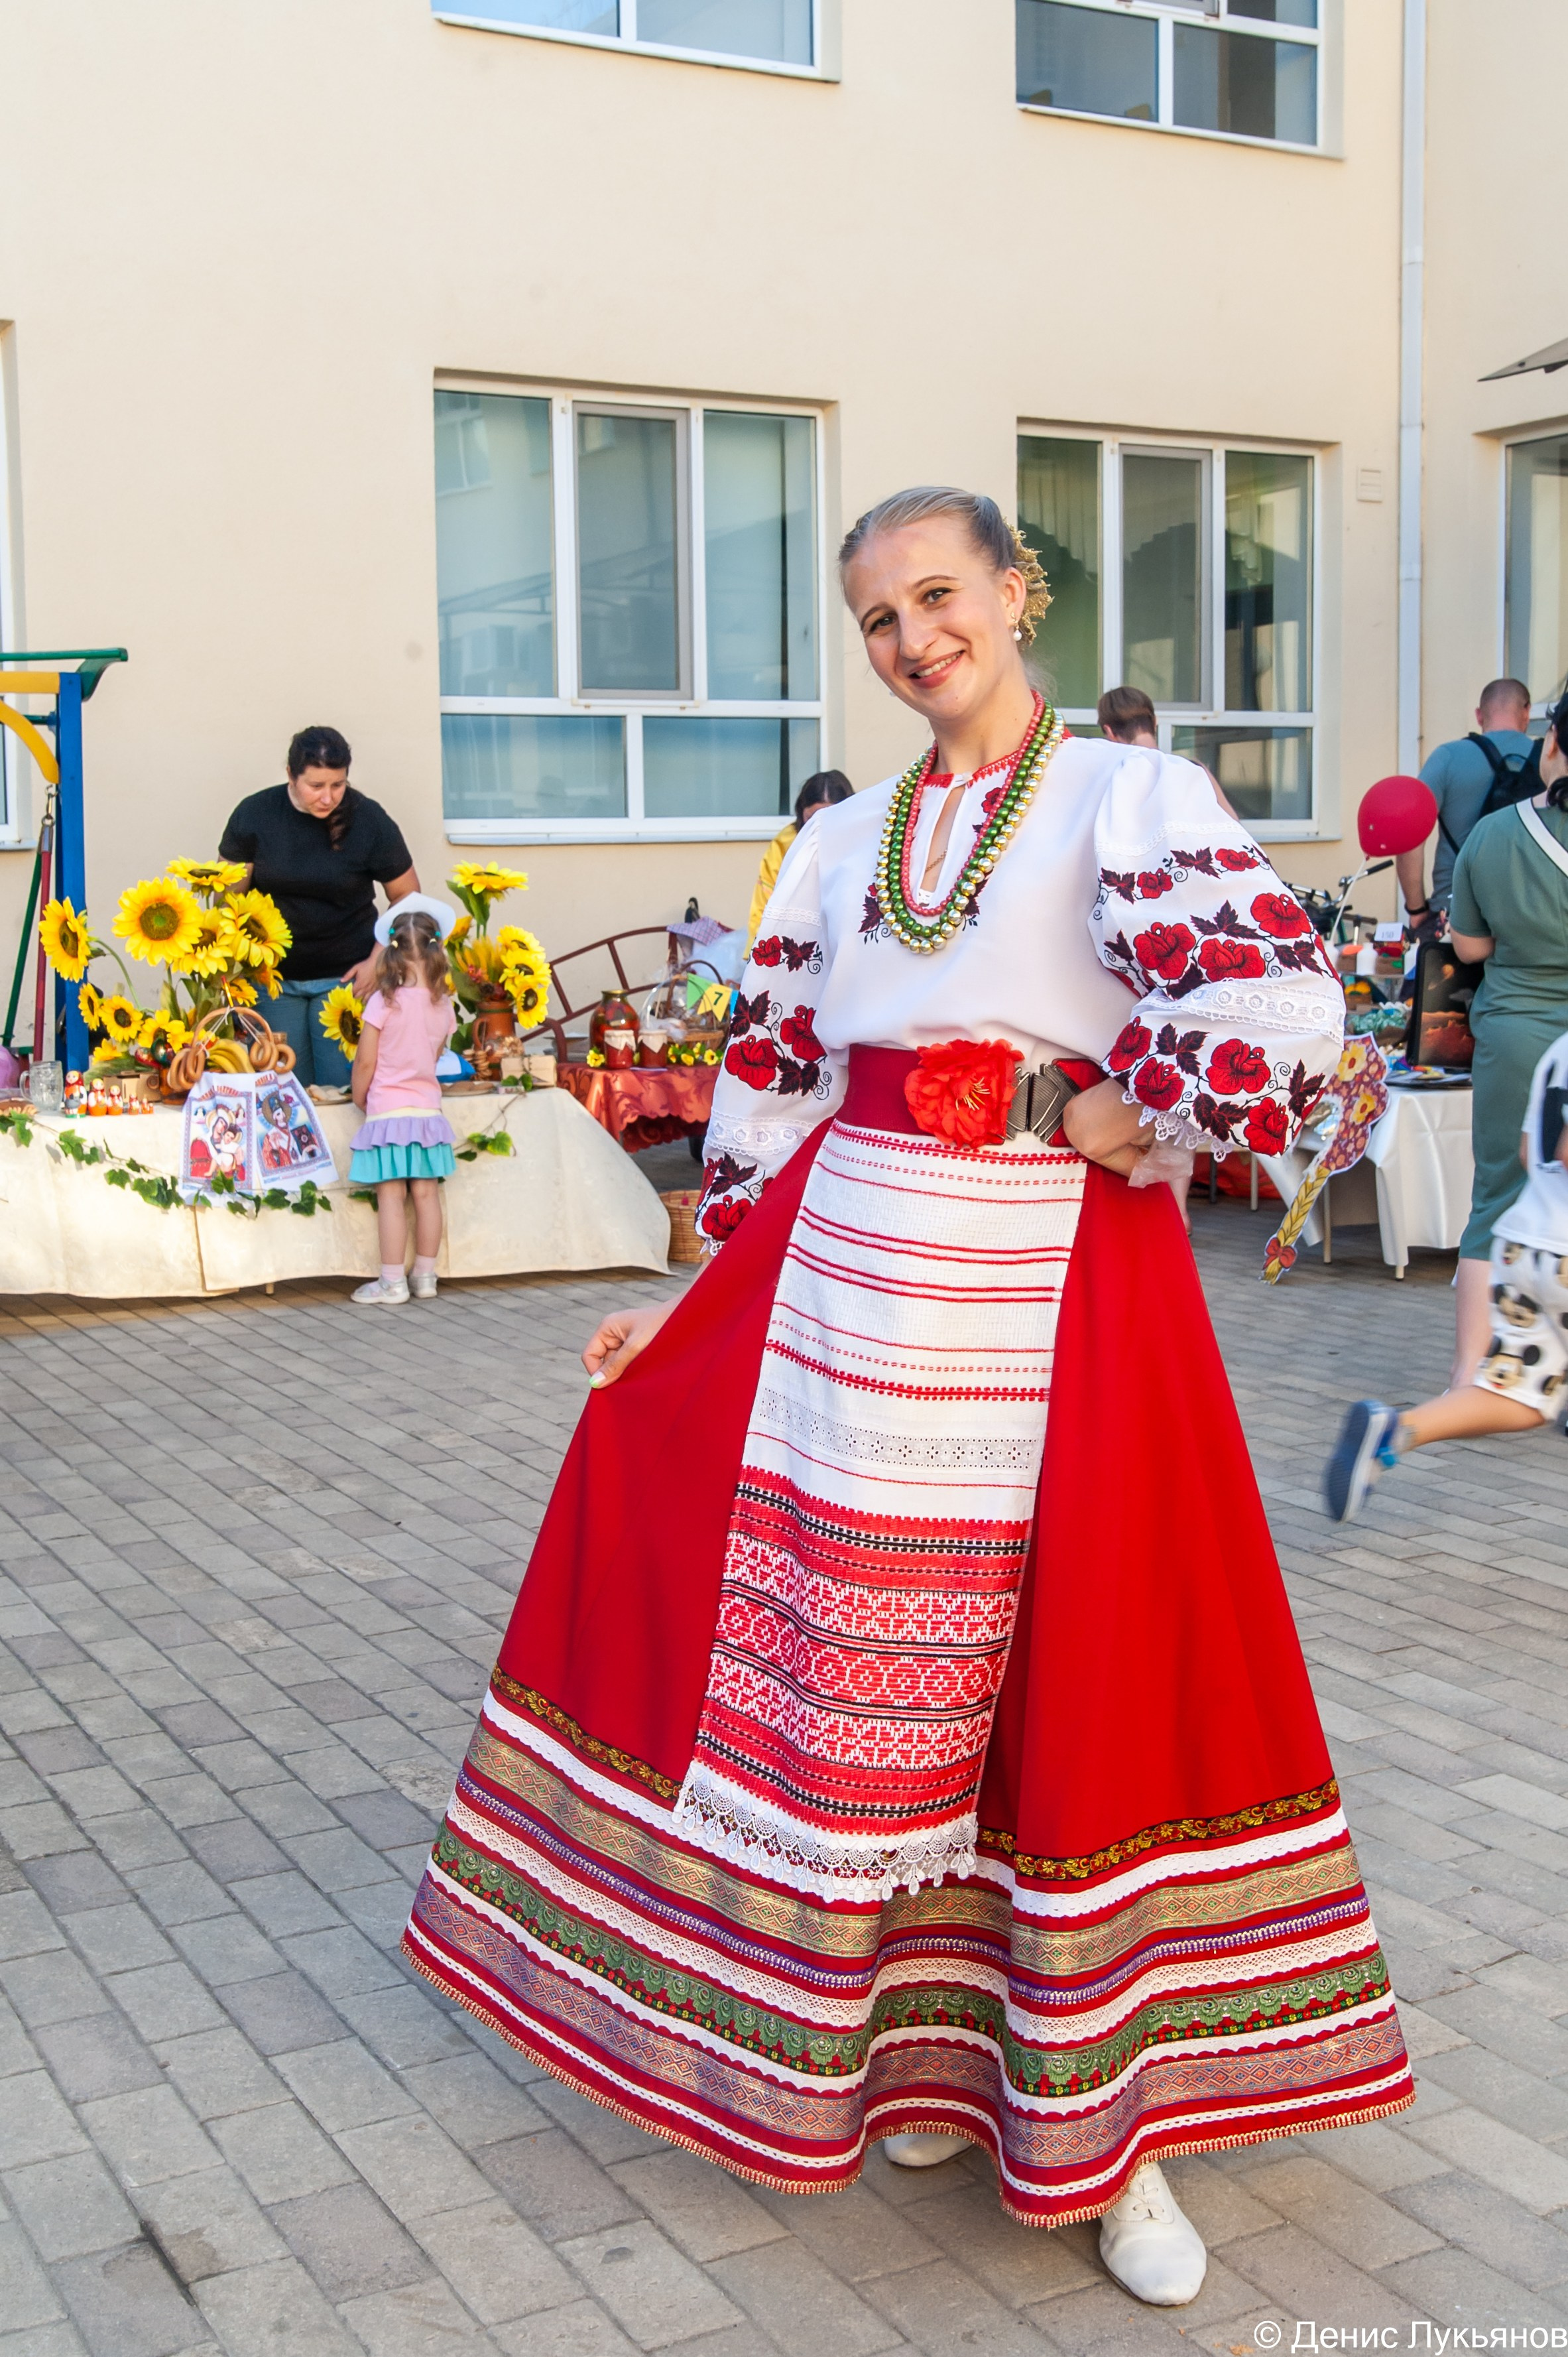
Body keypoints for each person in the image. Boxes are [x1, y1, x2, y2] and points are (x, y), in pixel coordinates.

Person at [402, 486, 1410, 2304]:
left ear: (1012, 593)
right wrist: (689, 1312)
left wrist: (1149, 1101)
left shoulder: (1127, 795)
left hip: (1053, 1279)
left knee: (1069, 1668)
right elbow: (779, 1093)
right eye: (874, 618)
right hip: (852, 1285)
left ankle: (1124, 2141)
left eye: (935, 596)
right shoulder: (845, 838)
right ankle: (943, 2056)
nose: (909, 640)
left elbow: (1285, 1008)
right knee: (885, 1677)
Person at [1325, 1023, 1568, 1519]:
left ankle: (1396, 1431)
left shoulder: (1559, 1047)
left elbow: (1530, 1152)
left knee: (1520, 1390)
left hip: (1525, 1245)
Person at [1441, 692, 1568, 1384]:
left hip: (1520, 1033)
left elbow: (1470, 944)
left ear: (1550, 745)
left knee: (1497, 1195)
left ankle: (1468, 1373)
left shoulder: (1494, 835)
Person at [219, 726, 420, 1089]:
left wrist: (379, 959)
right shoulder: (255, 815)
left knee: (342, 1091)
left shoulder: (369, 819)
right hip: (272, 983)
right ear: (290, 777)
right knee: (282, 1093)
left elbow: (407, 896)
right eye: (316, 786)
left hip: (346, 981)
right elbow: (227, 899)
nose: (328, 798)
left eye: (338, 785)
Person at [347, 895, 459, 1306]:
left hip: (388, 1111)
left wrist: (361, 1095)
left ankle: (392, 1282)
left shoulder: (383, 1002)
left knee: (391, 1196)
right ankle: (425, 1277)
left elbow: (366, 1060)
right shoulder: (443, 1005)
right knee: (426, 1195)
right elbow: (431, 1058)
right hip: (427, 1112)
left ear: (391, 954)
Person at [1396, 677, 1537, 937]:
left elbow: (1409, 840)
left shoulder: (1447, 757)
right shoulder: (1550, 760)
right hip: (1531, 918)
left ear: (1479, 715)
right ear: (1527, 711)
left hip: (1454, 915)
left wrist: (1416, 909)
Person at [1097, 686, 1242, 820]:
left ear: (1110, 732)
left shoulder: (1113, 779)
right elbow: (1234, 826)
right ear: (1155, 722)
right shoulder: (1195, 770)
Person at [745, 770, 854, 946]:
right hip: (794, 941)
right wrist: (759, 950)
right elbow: (764, 904)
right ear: (801, 812)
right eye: (812, 818)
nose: (820, 825)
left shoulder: (862, 840)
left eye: (831, 816)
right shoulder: (785, 843)